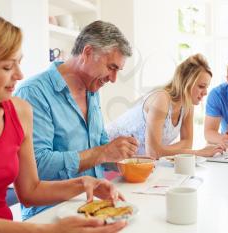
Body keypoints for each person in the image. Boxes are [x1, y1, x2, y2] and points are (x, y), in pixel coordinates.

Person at [0, 9, 126, 233]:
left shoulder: (19, 112)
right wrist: (50, 231)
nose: (19, 74)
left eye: (19, 63)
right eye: (7, 66)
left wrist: (85, 183)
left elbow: (30, 191)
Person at [14, 20, 138, 219]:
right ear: (87, 52)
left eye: (118, 71)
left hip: (95, 207)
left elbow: (99, 146)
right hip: (50, 215)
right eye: (111, 67)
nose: (113, 79)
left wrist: (124, 157)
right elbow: (37, 166)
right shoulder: (33, 93)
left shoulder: (92, 90)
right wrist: (102, 152)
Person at [106, 54, 225, 159]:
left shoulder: (187, 106)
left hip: (133, 162)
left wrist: (162, 150)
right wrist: (198, 153)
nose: (205, 92)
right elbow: (154, 153)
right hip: (106, 153)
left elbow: (187, 143)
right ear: (186, 82)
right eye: (201, 86)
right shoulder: (161, 99)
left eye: (206, 87)